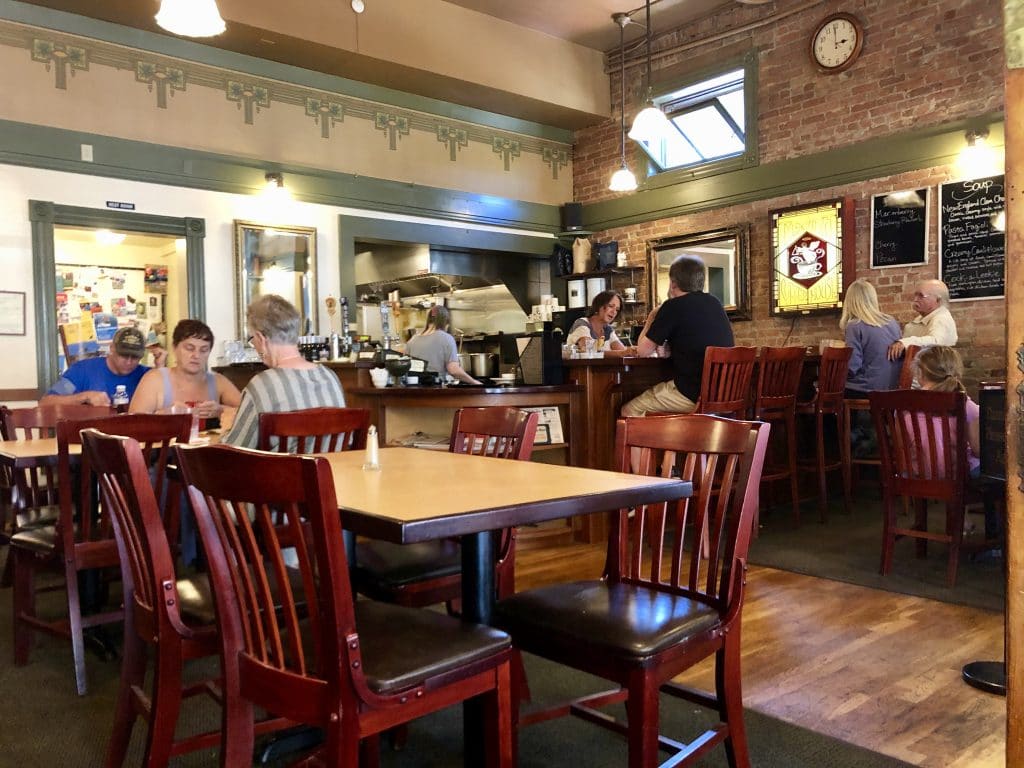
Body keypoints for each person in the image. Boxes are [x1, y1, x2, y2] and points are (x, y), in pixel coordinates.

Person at [222, 294, 346, 450]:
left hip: (284, 474)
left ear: (261, 338)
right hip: (334, 473)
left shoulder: (262, 385)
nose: (255, 345)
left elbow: (233, 452)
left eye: (252, 340)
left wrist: (230, 427)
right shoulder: (331, 377)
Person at [621, 255, 733, 416]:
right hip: (724, 394)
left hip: (692, 395)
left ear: (673, 283)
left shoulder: (672, 306)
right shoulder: (714, 302)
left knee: (628, 411)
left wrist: (652, 316)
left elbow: (642, 351)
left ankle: (667, 441)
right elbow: (693, 340)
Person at [129, 319, 242, 420]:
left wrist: (222, 411)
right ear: (174, 348)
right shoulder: (154, 380)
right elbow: (131, 425)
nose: (196, 355)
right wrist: (165, 415)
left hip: (209, 443)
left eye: (203, 350)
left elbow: (249, 413)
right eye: (189, 348)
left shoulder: (218, 381)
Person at [41, 326, 166, 406]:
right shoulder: (82, 370)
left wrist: (160, 369)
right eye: (123, 355)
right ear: (112, 348)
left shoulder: (148, 376)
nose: (129, 362)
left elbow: (165, 408)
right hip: (90, 443)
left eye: (135, 357)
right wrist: (85, 397)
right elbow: (46, 403)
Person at [914, 345, 980, 478]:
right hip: (956, 475)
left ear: (920, 373)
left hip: (916, 474)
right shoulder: (967, 405)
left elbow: (901, 450)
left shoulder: (902, 405)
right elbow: (977, 450)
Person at [841, 278, 902, 397]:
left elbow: (853, 367)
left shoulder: (854, 325)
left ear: (849, 301)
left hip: (867, 389)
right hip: (891, 387)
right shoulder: (891, 321)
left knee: (829, 392)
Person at [406, 305, 480, 384]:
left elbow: (405, 367)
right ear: (446, 322)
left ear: (428, 320)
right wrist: (475, 382)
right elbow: (454, 370)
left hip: (414, 390)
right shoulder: (446, 338)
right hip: (436, 390)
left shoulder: (412, 340)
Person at [887, 279, 958, 361]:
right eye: (915, 295)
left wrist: (905, 342)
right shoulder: (923, 317)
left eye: (921, 296)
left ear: (937, 300)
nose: (915, 299)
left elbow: (936, 341)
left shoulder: (942, 318)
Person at [566, 290, 637, 357]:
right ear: (599, 306)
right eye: (611, 306)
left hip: (602, 369)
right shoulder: (582, 323)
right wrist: (623, 353)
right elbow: (589, 351)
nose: (614, 312)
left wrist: (634, 350)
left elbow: (621, 349)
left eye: (617, 309)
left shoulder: (608, 329)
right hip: (581, 369)